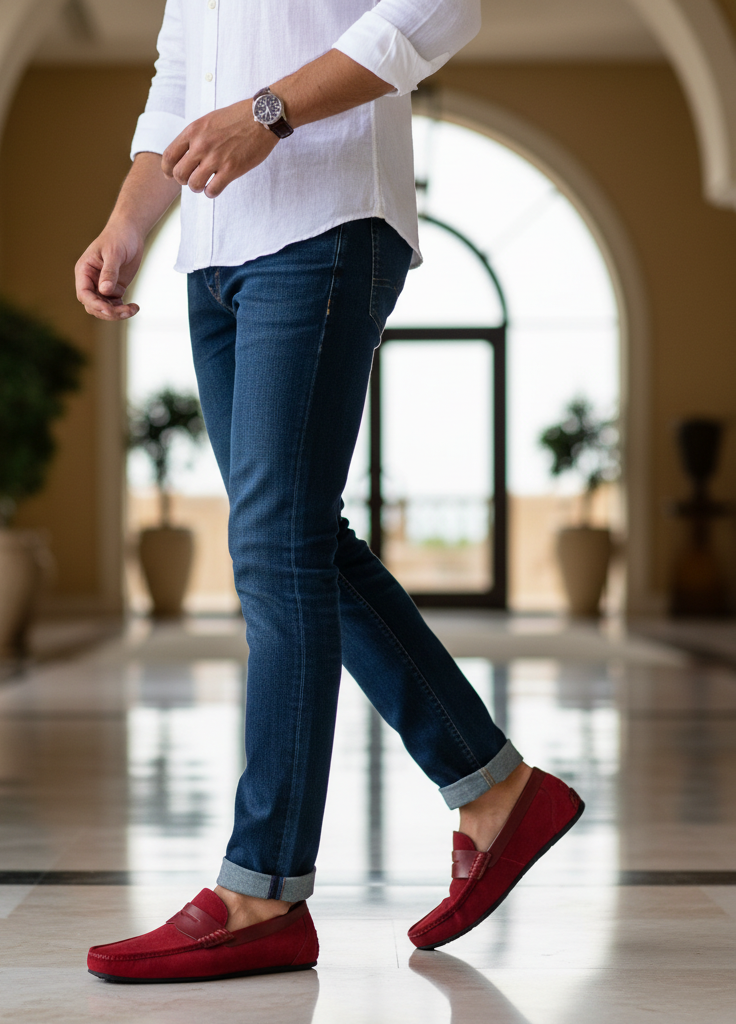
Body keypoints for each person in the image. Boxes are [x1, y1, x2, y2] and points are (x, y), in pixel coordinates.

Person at [75, 0, 584, 984]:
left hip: (322, 221)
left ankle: (261, 888)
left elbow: (439, 7)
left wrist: (266, 114)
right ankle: (495, 790)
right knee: (297, 540)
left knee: (277, 545)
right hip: (213, 252)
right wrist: (128, 223)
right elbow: (179, 77)